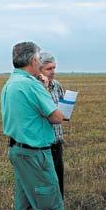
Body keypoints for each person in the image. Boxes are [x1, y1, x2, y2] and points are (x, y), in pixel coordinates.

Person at [0, 41, 79, 210]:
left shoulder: (10, 83)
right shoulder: (31, 85)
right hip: (36, 155)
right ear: (34, 61)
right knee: (50, 209)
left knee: (24, 209)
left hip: (18, 151)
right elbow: (57, 117)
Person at [39, 52, 65, 198]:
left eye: (54, 68)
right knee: (45, 183)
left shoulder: (57, 86)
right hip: (43, 144)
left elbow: (61, 113)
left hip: (57, 141)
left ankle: (59, 207)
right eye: (49, 69)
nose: (53, 72)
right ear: (39, 69)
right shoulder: (36, 88)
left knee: (58, 179)